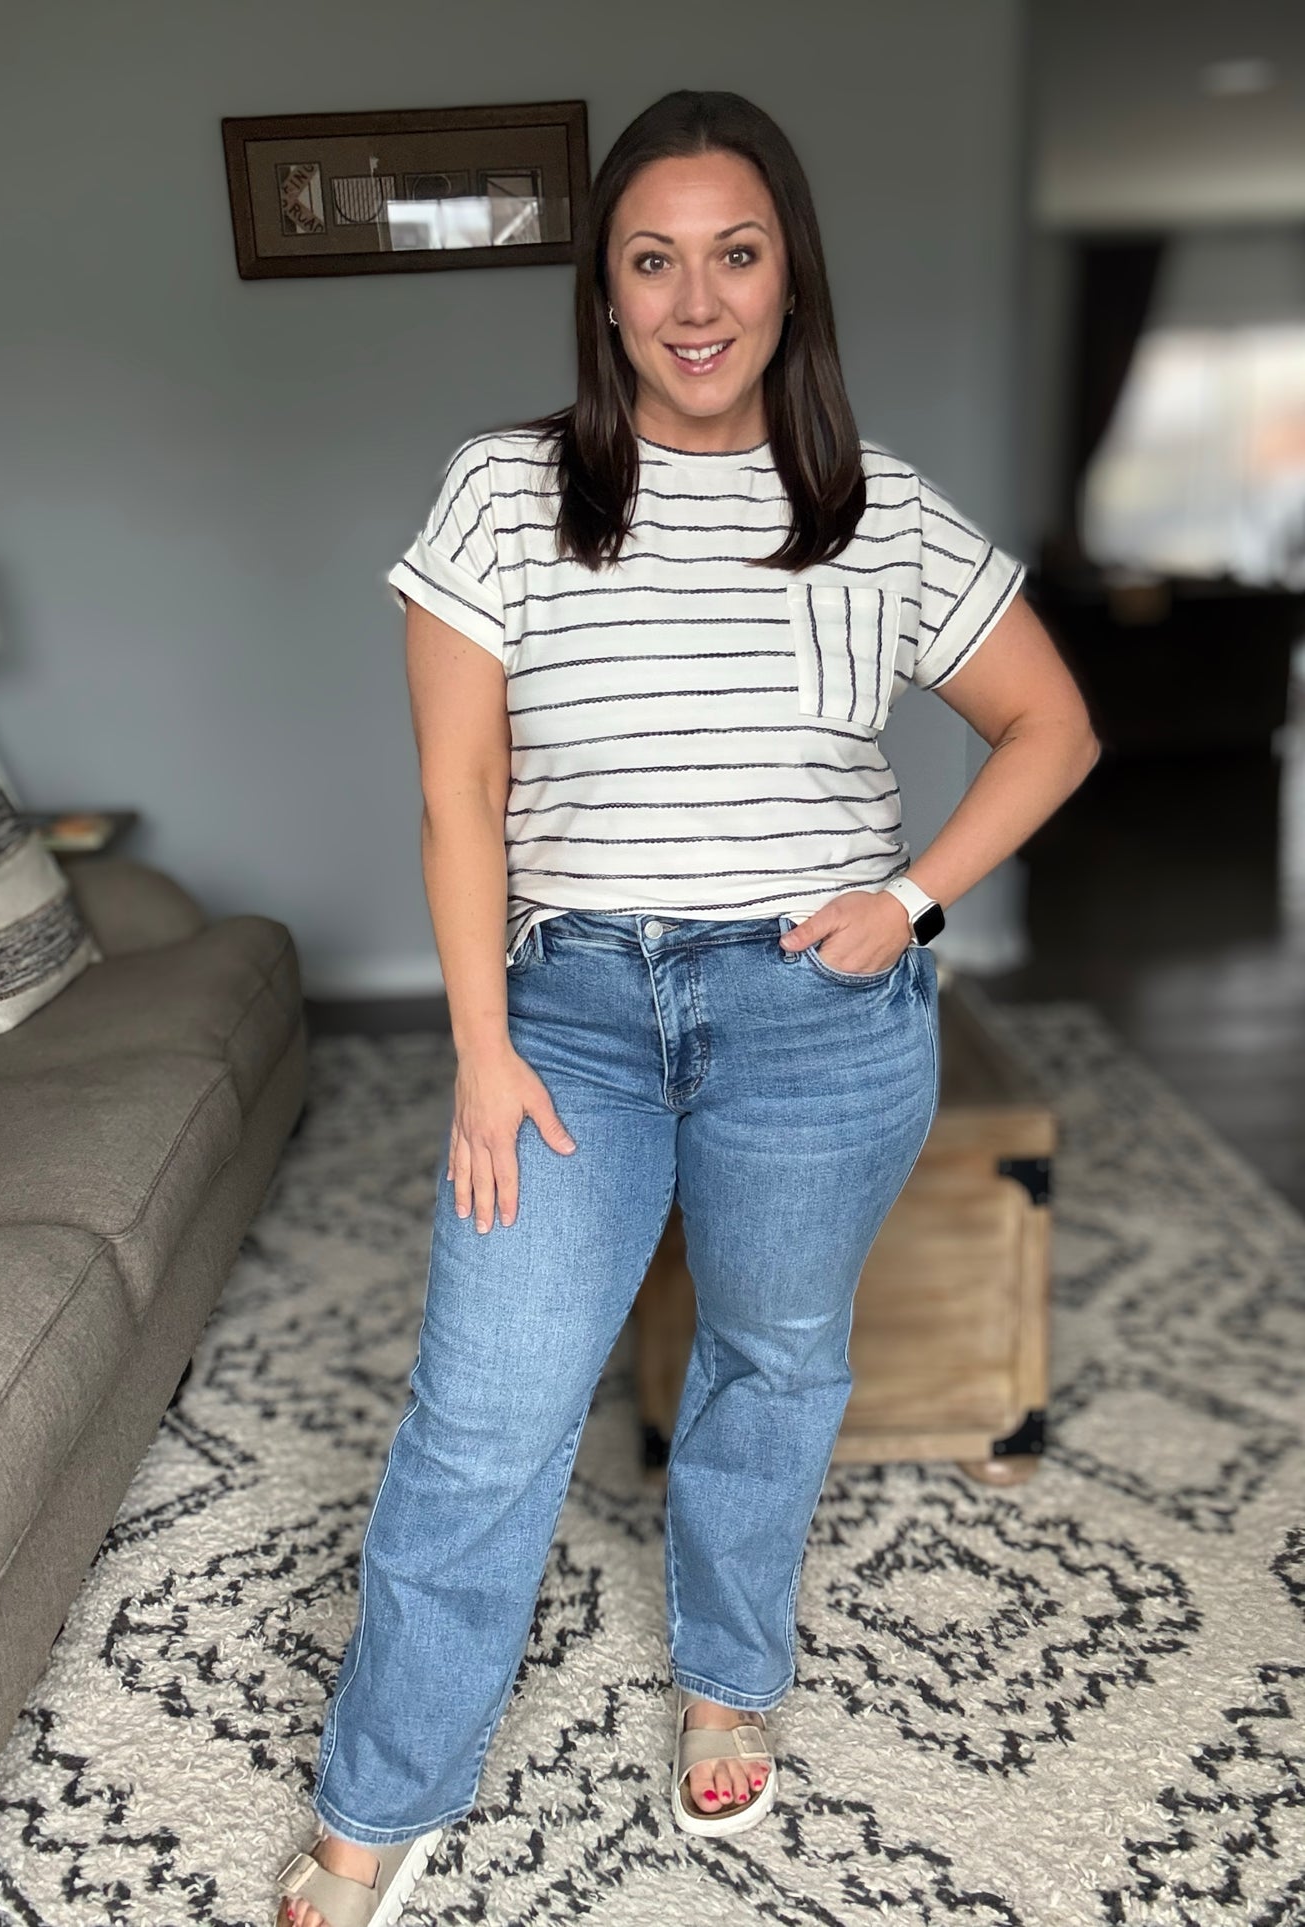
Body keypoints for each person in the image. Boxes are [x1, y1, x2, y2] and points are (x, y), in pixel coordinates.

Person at [276, 88, 1099, 1927]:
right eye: (653, 259)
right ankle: (378, 1801)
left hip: (812, 1018)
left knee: (772, 1363)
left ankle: (730, 1670)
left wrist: (905, 897)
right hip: (564, 1008)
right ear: (606, 293)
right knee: (484, 1415)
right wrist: (480, 1053)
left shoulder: (874, 511)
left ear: (789, 275)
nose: (696, 297)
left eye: (735, 252)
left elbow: (1052, 724)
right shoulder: (504, 492)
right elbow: (456, 801)